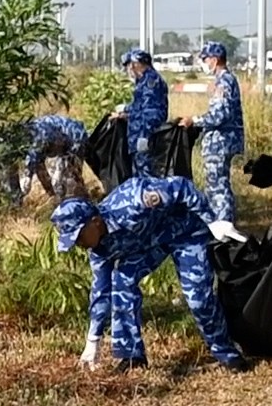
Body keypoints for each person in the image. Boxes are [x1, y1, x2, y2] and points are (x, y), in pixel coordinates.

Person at [53, 176, 251, 375]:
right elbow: (100, 292)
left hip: (186, 232)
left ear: (95, 222)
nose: (79, 244)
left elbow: (181, 187)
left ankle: (227, 354)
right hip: (151, 245)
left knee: (198, 298)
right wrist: (93, 340)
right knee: (121, 281)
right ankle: (132, 357)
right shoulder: (99, 251)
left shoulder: (133, 200)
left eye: (79, 237)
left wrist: (213, 221)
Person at [181, 42, 245, 222]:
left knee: (218, 187)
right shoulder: (224, 80)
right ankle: (220, 223)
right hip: (221, 142)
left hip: (220, 143)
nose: (204, 63)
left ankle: (223, 225)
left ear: (215, 60)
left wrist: (194, 120)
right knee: (216, 185)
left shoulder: (224, 81)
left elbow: (219, 116)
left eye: (205, 59)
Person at [115, 49, 168, 176]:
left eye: (131, 64)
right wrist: (127, 114)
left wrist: (126, 109)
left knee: (146, 172)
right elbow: (140, 108)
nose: (129, 68)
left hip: (145, 134)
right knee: (139, 170)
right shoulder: (143, 80)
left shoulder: (151, 80)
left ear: (137, 64)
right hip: (139, 133)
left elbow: (150, 111)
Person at [21, 111, 89, 201]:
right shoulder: (31, 136)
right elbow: (36, 159)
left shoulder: (38, 132)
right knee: (41, 168)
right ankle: (55, 198)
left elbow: (35, 151)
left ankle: (81, 202)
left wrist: (28, 174)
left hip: (75, 139)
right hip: (64, 142)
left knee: (70, 178)